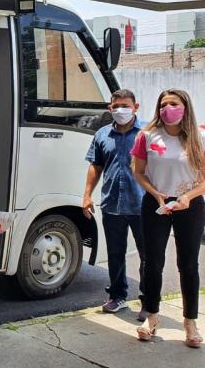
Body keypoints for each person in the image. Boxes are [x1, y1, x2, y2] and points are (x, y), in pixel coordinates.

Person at [131, 88, 205, 347]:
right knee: (152, 262)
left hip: (190, 204)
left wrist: (188, 197)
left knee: (188, 264)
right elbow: (138, 172)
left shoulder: (199, 137)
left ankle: (190, 322)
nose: (167, 109)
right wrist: (156, 194)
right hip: (156, 204)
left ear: (185, 107)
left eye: (173, 103)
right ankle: (151, 317)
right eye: (163, 104)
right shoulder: (147, 136)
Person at [82, 89, 147, 318]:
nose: (121, 110)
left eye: (125, 105)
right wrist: (87, 195)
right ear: (110, 108)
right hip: (112, 204)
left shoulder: (147, 133)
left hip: (143, 205)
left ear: (135, 107)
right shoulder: (102, 134)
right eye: (116, 106)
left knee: (148, 255)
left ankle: (148, 301)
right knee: (115, 254)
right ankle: (117, 296)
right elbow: (95, 166)